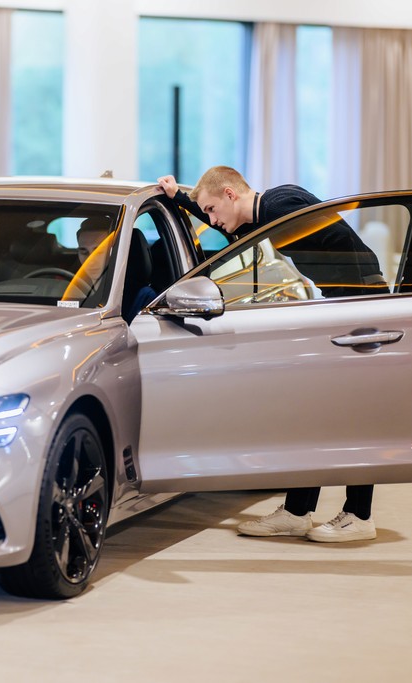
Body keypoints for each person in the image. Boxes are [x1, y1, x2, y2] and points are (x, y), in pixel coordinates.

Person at [158, 166, 384, 543]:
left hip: (359, 303)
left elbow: (347, 246)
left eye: (213, 209)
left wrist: (359, 315)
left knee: (350, 413)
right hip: (343, 302)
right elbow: (231, 229)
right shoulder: (268, 211)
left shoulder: (281, 209)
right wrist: (182, 199)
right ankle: (298, 512)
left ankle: (359, 516)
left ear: (231, 194)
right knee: (312, 412)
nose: (212, 219)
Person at [76, 220, 156, 323]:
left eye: (98, 252)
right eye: (83, 251)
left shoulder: (142, 297)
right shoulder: (65, 289)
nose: (90, 261)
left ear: (113, 252)